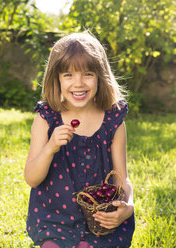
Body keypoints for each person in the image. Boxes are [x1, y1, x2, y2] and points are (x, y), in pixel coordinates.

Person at [25, 32, 135, 248]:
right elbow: (32, 178)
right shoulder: (47, 119)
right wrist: (50, 147)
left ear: (100, 77)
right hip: (54, 219)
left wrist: (127, 207)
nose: (78, 83)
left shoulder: (113, 121)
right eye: (68, 75)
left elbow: (121, 178)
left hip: (100, 221)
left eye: (88, 74)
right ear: (56, 78)